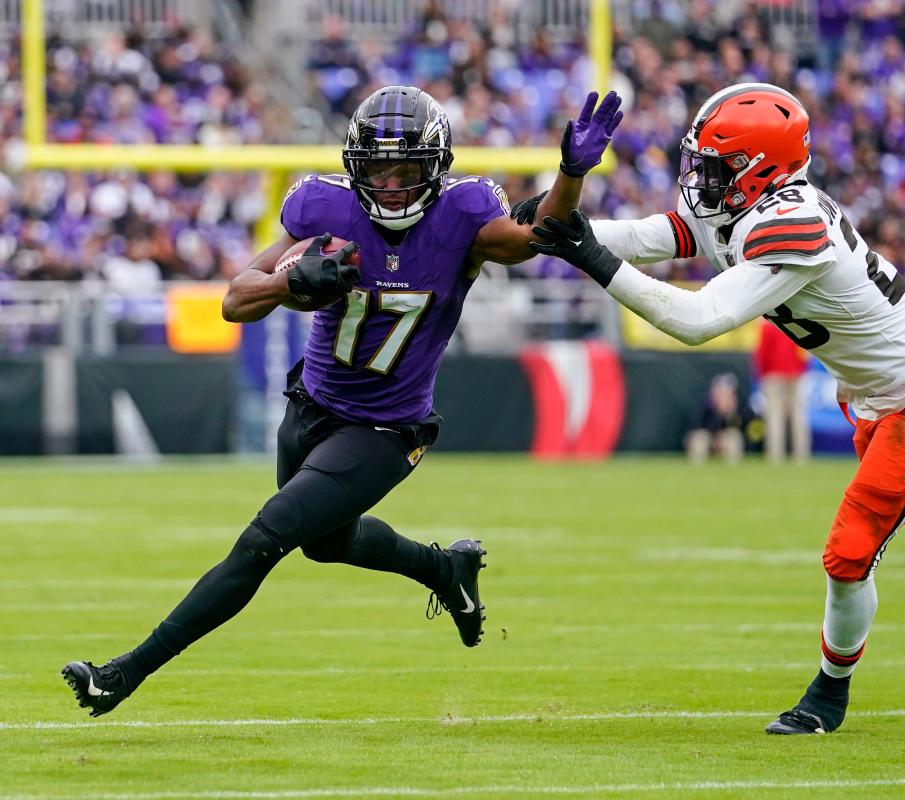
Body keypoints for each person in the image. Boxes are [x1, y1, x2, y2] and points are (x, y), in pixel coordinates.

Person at [519, 82, 905, 735]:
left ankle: (829, 696)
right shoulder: (747, 203)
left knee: (849, 554)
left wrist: (586, 252)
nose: (701, 178)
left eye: (715, 165)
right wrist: (555, 216)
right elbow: (663, 233)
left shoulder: (794, 223)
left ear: (760, 168)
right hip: (878, 399)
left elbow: (698, 318)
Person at [62, 84, 624, 717]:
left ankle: (123, 673)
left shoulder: (462, 217)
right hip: (311, 406)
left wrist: (571, 174)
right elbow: (233, 299)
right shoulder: (322, 208)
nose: (389, 186)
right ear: (353, 168)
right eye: (376, 170)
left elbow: (538, 235)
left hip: (385, 430)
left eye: (405, 170)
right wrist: (285, 281)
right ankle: (445, 571)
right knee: (325, 544)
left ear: (434, 171)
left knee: (263, 539)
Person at [753, 318, 810, 463]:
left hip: (774, 374)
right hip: (795, 373)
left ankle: (775, 455)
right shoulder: (796, 321)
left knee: (775, 416)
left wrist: (761, 374)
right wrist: (801, 368)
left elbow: (762, 353)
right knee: (798, 415)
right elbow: (805, 349)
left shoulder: (767, 326)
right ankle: (801, 455)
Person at [685, 372, 745, 464]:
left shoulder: (735, 407)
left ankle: (733, 471)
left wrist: (729, 414)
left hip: (722, 440)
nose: (724, 395)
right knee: (700, 438)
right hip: (708, 439)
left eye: (727, 392)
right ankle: (696, 471)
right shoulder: (706, 405)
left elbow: (738, 427)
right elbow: (697, 426)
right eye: (721, 391)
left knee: (734, 437)